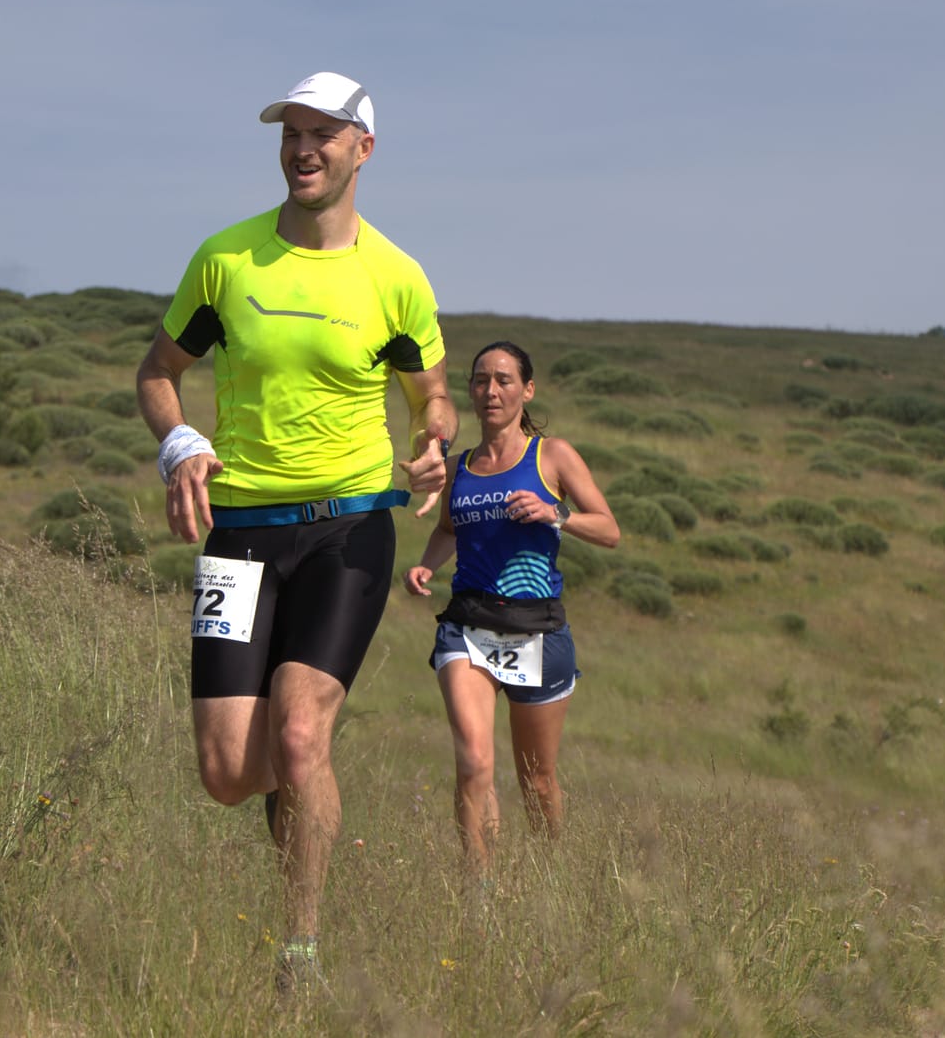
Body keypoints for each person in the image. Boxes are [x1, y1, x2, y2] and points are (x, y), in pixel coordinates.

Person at [136, 71, 457, 990]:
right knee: (227, 772)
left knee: (304, 729)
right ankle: (299, 779)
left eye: (324, 134)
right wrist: (181, 440)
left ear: (363, 149)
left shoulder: (395, 277)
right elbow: (158, 370)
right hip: (238, 536)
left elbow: (431, 395)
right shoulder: (225, 261)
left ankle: (301, 951)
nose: (303, 149)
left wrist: (433, 445)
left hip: (349, 530)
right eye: (291, 134)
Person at [404, 340, 618, 878]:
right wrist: (427, 565)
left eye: (503, 380)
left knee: (536, 778)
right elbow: (447, 530)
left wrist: (555, 513)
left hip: (537, 632)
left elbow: (609, 530)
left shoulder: (552, 456)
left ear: (527, 390)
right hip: (468, 628)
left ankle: (550, 878)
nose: (490, 390)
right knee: (474, 762)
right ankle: (480, 895)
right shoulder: (460, 468)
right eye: (480, 380)